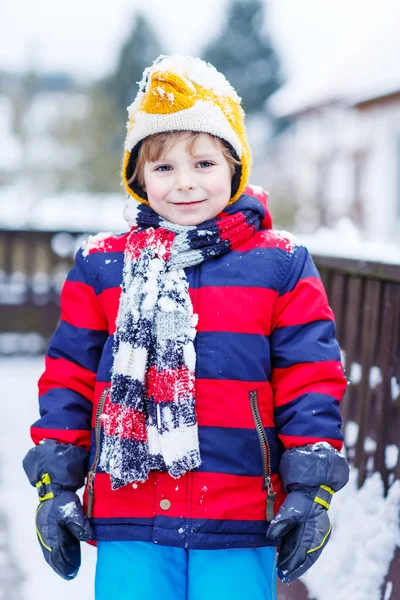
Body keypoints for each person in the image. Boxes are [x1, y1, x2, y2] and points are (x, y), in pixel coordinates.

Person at [23, 55, 349, 600]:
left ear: (234, 167)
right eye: (164, 167)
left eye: (203, 164)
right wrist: (55, 484)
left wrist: (310, 486)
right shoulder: (103, 265)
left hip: (241, 511)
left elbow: (310, 377)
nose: (184, 184)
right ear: (138, 176)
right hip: (132, 510)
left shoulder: (281, 265)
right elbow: (70, 378)